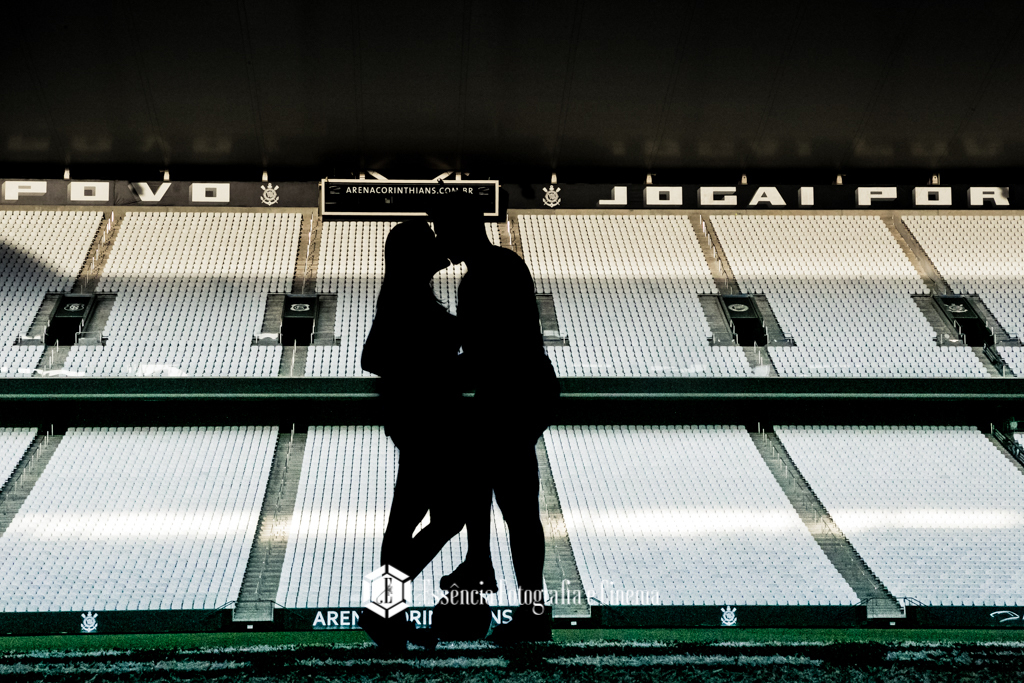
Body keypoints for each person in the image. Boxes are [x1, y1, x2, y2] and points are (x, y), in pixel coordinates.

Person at [429, 192, 560, 643]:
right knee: (515, 504)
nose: (440, 239)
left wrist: (429, 365)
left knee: (512, 503)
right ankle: (518, 597)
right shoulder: (504, 266)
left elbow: (484, 352)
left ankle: (497, 581)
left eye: (442, 229)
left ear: (461, 228)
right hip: (523, 392)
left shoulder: (483, 278)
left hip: (511, 395)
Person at [359, 219, 493, 649]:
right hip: (429, 423)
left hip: (416, 421)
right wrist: (439, 366)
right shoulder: (407, 295)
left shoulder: (404, 292)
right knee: (445, 517)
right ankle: (380, 613)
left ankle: (385, 615)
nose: (441, 250)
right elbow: (373, 356)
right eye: (431, 245)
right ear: (416, 255)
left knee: (406, 523)